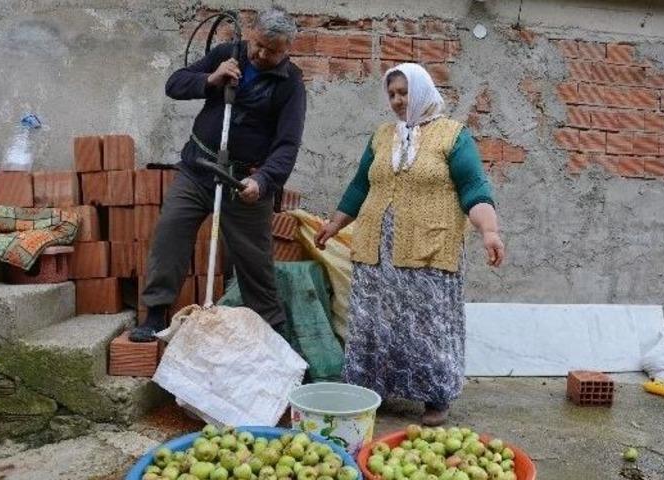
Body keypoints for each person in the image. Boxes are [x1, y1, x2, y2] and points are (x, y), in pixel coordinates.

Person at [314, 63, 506, 426]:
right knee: (374, 322)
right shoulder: (382, 136)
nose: (398, 100)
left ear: (421, 91)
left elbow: (474, 188)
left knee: (428, 323)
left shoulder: (453, 136)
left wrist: (489, 231)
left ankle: (435, 397)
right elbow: (360, 186)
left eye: (404, 92)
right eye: (392, 94)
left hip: (428, 249)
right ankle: (372, 390)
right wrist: (335, 224)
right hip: (375, 251)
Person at [130, 8, 306, 342]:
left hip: (244, 181)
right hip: (198, 169)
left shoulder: (291, 83)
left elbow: (287, 145)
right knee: (170, 233)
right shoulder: (228, 54)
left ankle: (273, 331)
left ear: (287, 50)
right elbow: (175, 84)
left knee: (255, 261)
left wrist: (263, 181)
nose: (261, 54)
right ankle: (155, 314)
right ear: (250, 34)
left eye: (271, 51)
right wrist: (211, 78)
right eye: (258, 44)